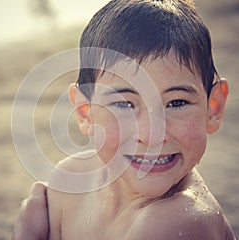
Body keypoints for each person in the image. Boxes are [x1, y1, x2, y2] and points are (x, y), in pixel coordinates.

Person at [13, 0, 236, 239]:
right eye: (124, 104)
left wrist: (27, 234)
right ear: (85, 112)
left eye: (176, 103)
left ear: (213, 108)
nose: (151, 136)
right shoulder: (68, 180)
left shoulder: (178, 221)